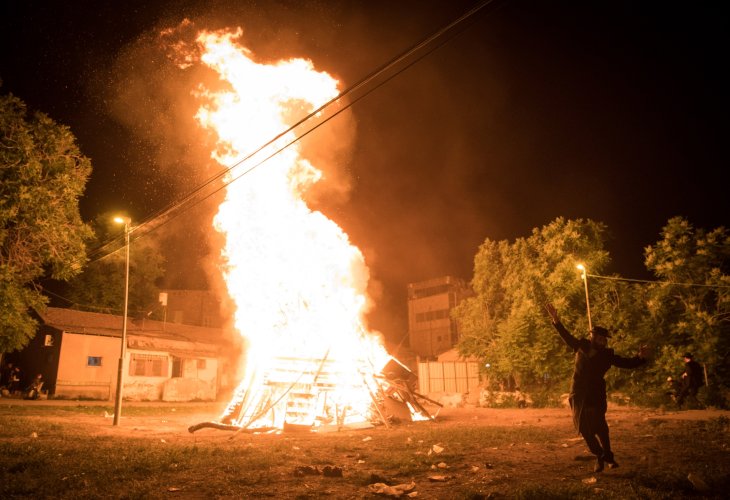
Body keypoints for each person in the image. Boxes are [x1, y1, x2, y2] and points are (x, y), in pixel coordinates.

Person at [544, 303, 648, 473]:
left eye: (604, 339)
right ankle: (602, 456)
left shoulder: (608, 355)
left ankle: (606, 455)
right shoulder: (581, 347)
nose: (603, 341)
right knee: (585, 430)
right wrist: (556, 320)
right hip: (579, 394)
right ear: (593, 338)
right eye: (599, 338)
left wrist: (639, 357)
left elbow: (626, 363)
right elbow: (567, 337)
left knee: (600, 427)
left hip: (596, 394)